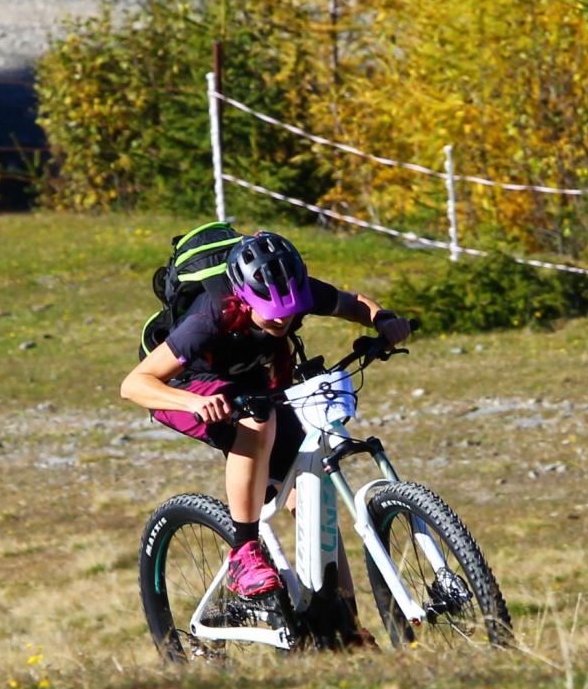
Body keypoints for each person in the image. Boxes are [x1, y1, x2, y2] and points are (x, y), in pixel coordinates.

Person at [120, 230, 412, 621]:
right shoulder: (212, 314)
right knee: (258, 421)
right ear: (243, 297)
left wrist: (383, 318)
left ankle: (345, 627)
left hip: (247, 380)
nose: (283, 318)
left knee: (311, 499)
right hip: (183, 386)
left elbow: (351, 303)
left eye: (290, 311)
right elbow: (135, 384)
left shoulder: (298, 292)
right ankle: (244, 553)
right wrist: (196, 402)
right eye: (271, 313)